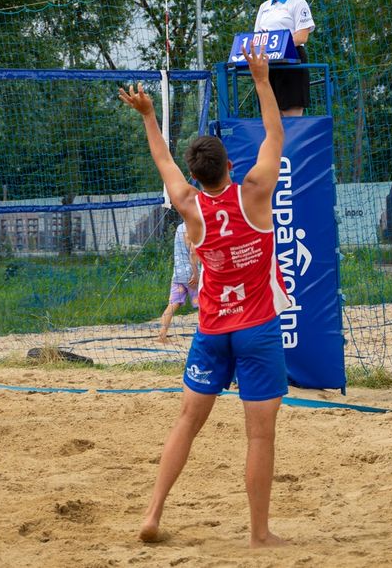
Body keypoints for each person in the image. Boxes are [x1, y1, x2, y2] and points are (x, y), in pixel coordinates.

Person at [118, 40, 291, 548]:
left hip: (212, 330)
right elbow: (276, 134)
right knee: (259, 435)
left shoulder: (188, 207)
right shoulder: (255, 193)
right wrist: (261, 80)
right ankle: (259, 534)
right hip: (257, 329)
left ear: (195, 176)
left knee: (187, 422)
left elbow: (161, 158)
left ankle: (152, 512)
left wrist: (149, 116)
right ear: (230, 167)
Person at [253, 0, 315, 116]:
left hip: (292, 62)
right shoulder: (264, 7)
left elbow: (302, 36)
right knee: (270, 119)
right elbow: (257, 38)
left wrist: (278, 46)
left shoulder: (298, 3)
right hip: (268, 64)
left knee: (292, 120)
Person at [156, 215, 201, 344]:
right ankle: (204, 335)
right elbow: (193, 252)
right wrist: (195, 274)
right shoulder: (193, 228)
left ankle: (162, 335)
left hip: (177, 274)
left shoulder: (180, 227)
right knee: (202, 305)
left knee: (172, 304)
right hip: (191, 275)